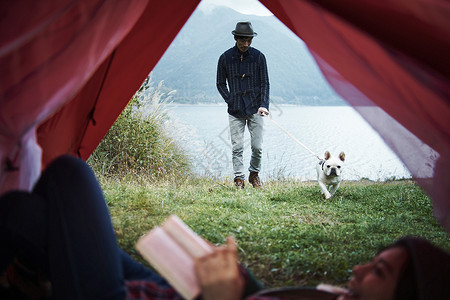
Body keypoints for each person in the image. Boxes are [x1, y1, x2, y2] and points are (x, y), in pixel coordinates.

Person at [1, 155, 449, 300]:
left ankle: (44, 275)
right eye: (373, 261)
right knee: (21, 212)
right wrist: (238, 280)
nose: (357, 269)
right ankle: (39, 273)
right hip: (181, 288)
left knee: (69, 173)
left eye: (378, 273)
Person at [217, 21, 270, 189]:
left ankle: (254, 174)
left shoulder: (259, 57)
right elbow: (220, 83)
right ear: (235, 38)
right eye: (242, 40)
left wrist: (264, 104)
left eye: (249, 40)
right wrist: (230, 99)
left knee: (257, 147)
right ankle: (239, 178)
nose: (246, 44)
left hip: (256, 109)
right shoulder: (225, 58)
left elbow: (265, 84)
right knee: (237, 146)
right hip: (235, 110)